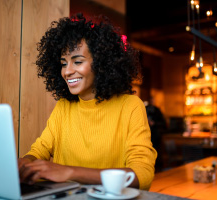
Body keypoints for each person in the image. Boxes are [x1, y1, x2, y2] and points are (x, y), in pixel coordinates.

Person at [18, 13, 157, 190]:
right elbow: (39, 150)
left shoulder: (130, 106)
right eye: (63, 63)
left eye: (77, 62)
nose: (67, 72)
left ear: (100, 64)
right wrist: (24, 164)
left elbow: (142, 175)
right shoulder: (64, 106)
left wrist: (70, 172)